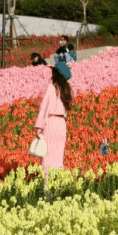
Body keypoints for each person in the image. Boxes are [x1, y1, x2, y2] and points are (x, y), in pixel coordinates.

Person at [34, 60, 73, 194]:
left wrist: (39, 127)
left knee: (47, 160)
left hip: (51, 123)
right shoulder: (66, 89)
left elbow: (44, 108)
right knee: (58, 159)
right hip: (61, 124)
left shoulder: (52, 87)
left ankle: (48, 192)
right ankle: (59, 189)